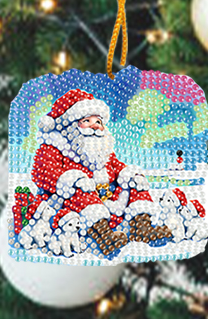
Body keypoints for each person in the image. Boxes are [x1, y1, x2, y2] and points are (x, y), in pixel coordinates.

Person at [28, 89, 173, 258]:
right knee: (82, 189)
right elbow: (43, 172)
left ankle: (142, 227)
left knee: (135, 182)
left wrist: (130, 175)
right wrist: (72, 180)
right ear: (71, 125)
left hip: (106, 196)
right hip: (71, 201)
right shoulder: (54, 147)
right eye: (87, 121)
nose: (95, 126)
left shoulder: (101, 150)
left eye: (98, 121)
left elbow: (116, 166)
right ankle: (104, 236)